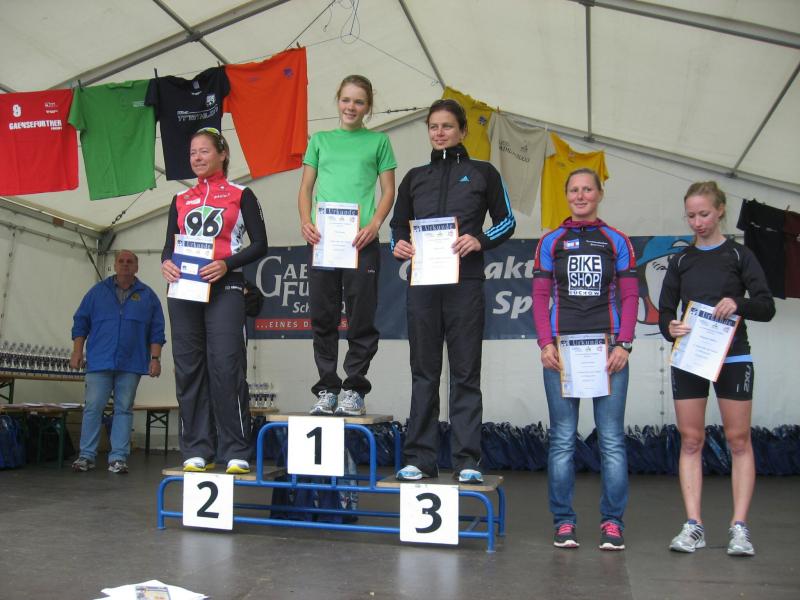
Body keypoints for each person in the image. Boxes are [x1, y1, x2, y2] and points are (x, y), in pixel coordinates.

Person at [390, 98, 516, 484]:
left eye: (447, 126)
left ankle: (467, 461)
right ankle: (420, 458)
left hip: (465, 284)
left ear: (463, 131)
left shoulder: (483, 173)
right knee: (424, 372)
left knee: (465, 373)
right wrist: (399, 245)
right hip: (423, 286)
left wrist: (479, 240)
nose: (440, 133)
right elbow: (397, 226)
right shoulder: (414, 177)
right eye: (433, 127)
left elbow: (507, 221)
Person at [659, 181, 775, 557]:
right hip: (691, 358)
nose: (698, 222)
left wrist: (738, 304)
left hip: (733, 356)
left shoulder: (740, 255)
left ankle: (739, 527)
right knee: (691, 440)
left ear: (720, 210)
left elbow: (766, 306)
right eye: (691, 216)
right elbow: (665, 312)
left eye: (704, 214)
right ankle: (693, 525)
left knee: (738, 440)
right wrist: (670, 327)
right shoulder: (681, 260)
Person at [532, 168, 638, 551]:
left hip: (608, 349)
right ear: (566, 195)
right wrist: (545, 343)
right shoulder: (550, 241)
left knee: (611, 440)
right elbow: (540, 297)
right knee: (562, 439)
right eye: (574, 190)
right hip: (562, 351)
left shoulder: (616, 240)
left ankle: (613, 523)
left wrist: (624, 344)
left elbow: (630, 296)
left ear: (599, 194)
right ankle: (563, 522)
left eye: (587, 189)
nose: (580, 196)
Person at [161, 127, 268, 474]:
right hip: (185, 290)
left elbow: (260, 244)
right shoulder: (180, 199)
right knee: (189, 368)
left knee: (225, 366)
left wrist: (227, 264)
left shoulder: (241, 194)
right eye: (193, 152)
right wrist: (166, 263)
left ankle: (235, 449)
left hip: (225, 287)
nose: (197, 157)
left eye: (204, 151)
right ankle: (197, 448)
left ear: (222, 154)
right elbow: (169, 246)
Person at [298, 74, 396, 416]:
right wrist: (306, 221)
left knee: (360, 317)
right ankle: (327, 388)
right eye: (346, 100)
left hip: (361, 241)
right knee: (323, 316)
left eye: (359, 101)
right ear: (337, 100)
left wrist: (374, 224)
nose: (351, 107)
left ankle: (354, 388)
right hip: (324, 241)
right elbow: (305, 188)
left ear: (368, 107)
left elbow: (389, 190)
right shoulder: (320, 140)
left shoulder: (379, 141)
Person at [70, 250, 165, 474]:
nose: (125, 265)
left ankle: (118, 458)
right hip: (99, 361)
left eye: (130, 261)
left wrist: (155, 359)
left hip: (131, 363)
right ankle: (86, 456)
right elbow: (80, 322)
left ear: (137, 267)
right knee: (93, 408)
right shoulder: (97, 292)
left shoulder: (148, 296)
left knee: (124, 409)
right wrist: (77, 351)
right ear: (114, 265)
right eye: (121, 261)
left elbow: (157, 330)